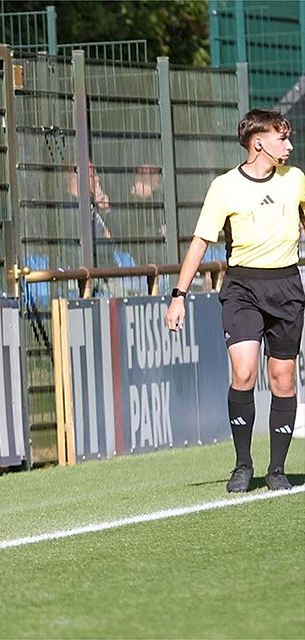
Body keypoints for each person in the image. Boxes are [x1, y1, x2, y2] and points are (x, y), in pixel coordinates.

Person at [165, 109, 305, 493]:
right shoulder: (224, 186)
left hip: (286, 287)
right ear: (258, 142)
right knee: (243, 372)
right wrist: (178, 295)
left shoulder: (295, 180)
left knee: (283, 378)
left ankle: (277, 470)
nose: (289, 146)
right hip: (243, 287)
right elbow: (200, 242)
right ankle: (243, 465)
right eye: (281, 138)